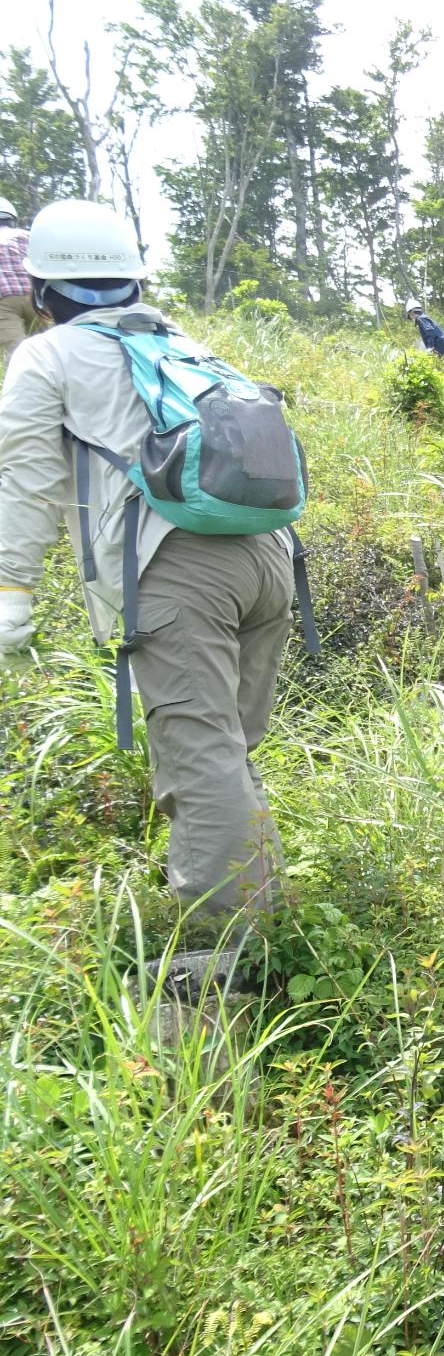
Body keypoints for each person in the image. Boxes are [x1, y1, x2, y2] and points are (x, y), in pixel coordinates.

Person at [0, 201, 305, 991]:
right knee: (225, 751)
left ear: (42, 292)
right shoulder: (179, 340)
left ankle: (227, 958)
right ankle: (262, 913)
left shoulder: (48, 356)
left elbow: (26, 483)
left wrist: (11, 589)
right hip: (268, 558)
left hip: (176, 570)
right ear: (134, 278)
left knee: (201, 756)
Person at [0, 197, 38, 361]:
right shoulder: (27, 236)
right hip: (36, 299)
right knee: (46, 350)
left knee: (17, 356)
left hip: (4, 302)